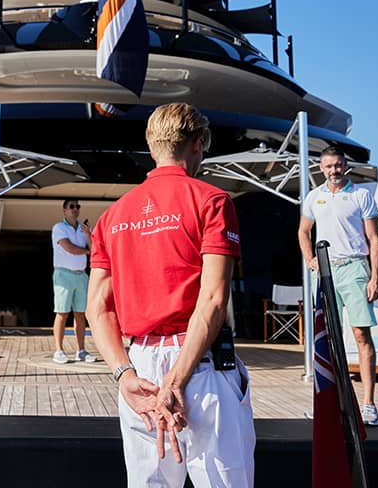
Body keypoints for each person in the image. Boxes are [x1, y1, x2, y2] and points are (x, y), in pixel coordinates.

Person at [86, 103, 254, 487]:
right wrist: (177, 381)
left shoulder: (112, 216)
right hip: (199, 363)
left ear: (151, 147)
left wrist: (123, 374)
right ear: (197, 144)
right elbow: (212, 300)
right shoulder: (211, 201)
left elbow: (98, 307)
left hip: (140, 367)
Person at [298, 145, 378, 426]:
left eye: (338, 165)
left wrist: (375, 277)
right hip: (325, 273)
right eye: (328, 166)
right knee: (327, 339)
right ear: (321, 168)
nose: (334, 170)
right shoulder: (314, 197)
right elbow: (303, 231)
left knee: (361, 335)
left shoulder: (361, 195)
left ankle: (368, 404)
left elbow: (374, 239)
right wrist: (310, 259)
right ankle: (330, 406)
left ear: (345, 165)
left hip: (355, 268)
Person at [51, 198, 97, 363]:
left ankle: (81, 351)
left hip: (81, 275)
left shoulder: (84, 229)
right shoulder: (58, 227)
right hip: (63, 274)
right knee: (62, 313)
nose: (75, 209)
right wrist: (86, 251)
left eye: (77, 206)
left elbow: (95, 249)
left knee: (80, 314)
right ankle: (58, 350)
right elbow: (68, 247)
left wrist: (87, 234)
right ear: (64, 210)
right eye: (72, 206)